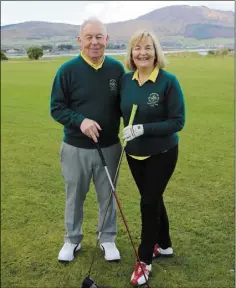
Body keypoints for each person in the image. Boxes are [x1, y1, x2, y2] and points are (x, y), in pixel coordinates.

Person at [50, 17, 125, 263]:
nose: (94, 42)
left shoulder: (116, 69)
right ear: (80, 40)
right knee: (75, 196)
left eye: (99, 37)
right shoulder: (67, 70)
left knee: (108, 195)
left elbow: (124, 105)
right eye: (89, 37)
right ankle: (72, 239)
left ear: (107, 39)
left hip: (110, 146)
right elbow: (57, 108)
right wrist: (80, 121)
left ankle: (107, 239)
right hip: (75, 147)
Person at [120, 30, 186, 286]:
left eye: (147, 47)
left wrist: (143, 128)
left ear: (156, 52)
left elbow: (177, 121)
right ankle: (165, 244)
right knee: (153, 198)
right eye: (137, 48)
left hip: (163, 152)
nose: (142, 53)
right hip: (134, 153)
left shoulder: (168, 81)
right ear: (131, 54)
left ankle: (144, 260)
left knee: (148, 202)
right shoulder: (126, 80)